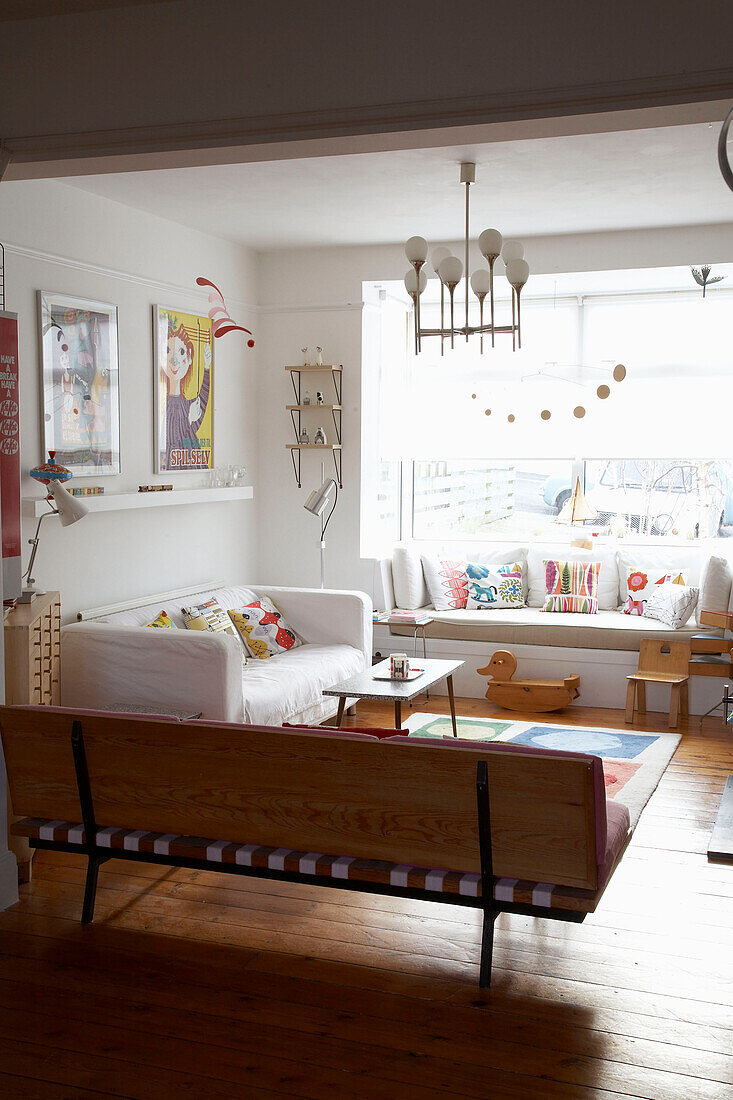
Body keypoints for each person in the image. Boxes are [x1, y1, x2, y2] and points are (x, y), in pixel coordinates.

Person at [160, 320, 211, 469]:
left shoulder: (186, 404)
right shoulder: (163, 405)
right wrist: (188, 420)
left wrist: (206, 367)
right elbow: (170, 437)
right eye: (168, 351)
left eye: (181, 352)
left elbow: (203, 399)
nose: (174, 361)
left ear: (189, 359)